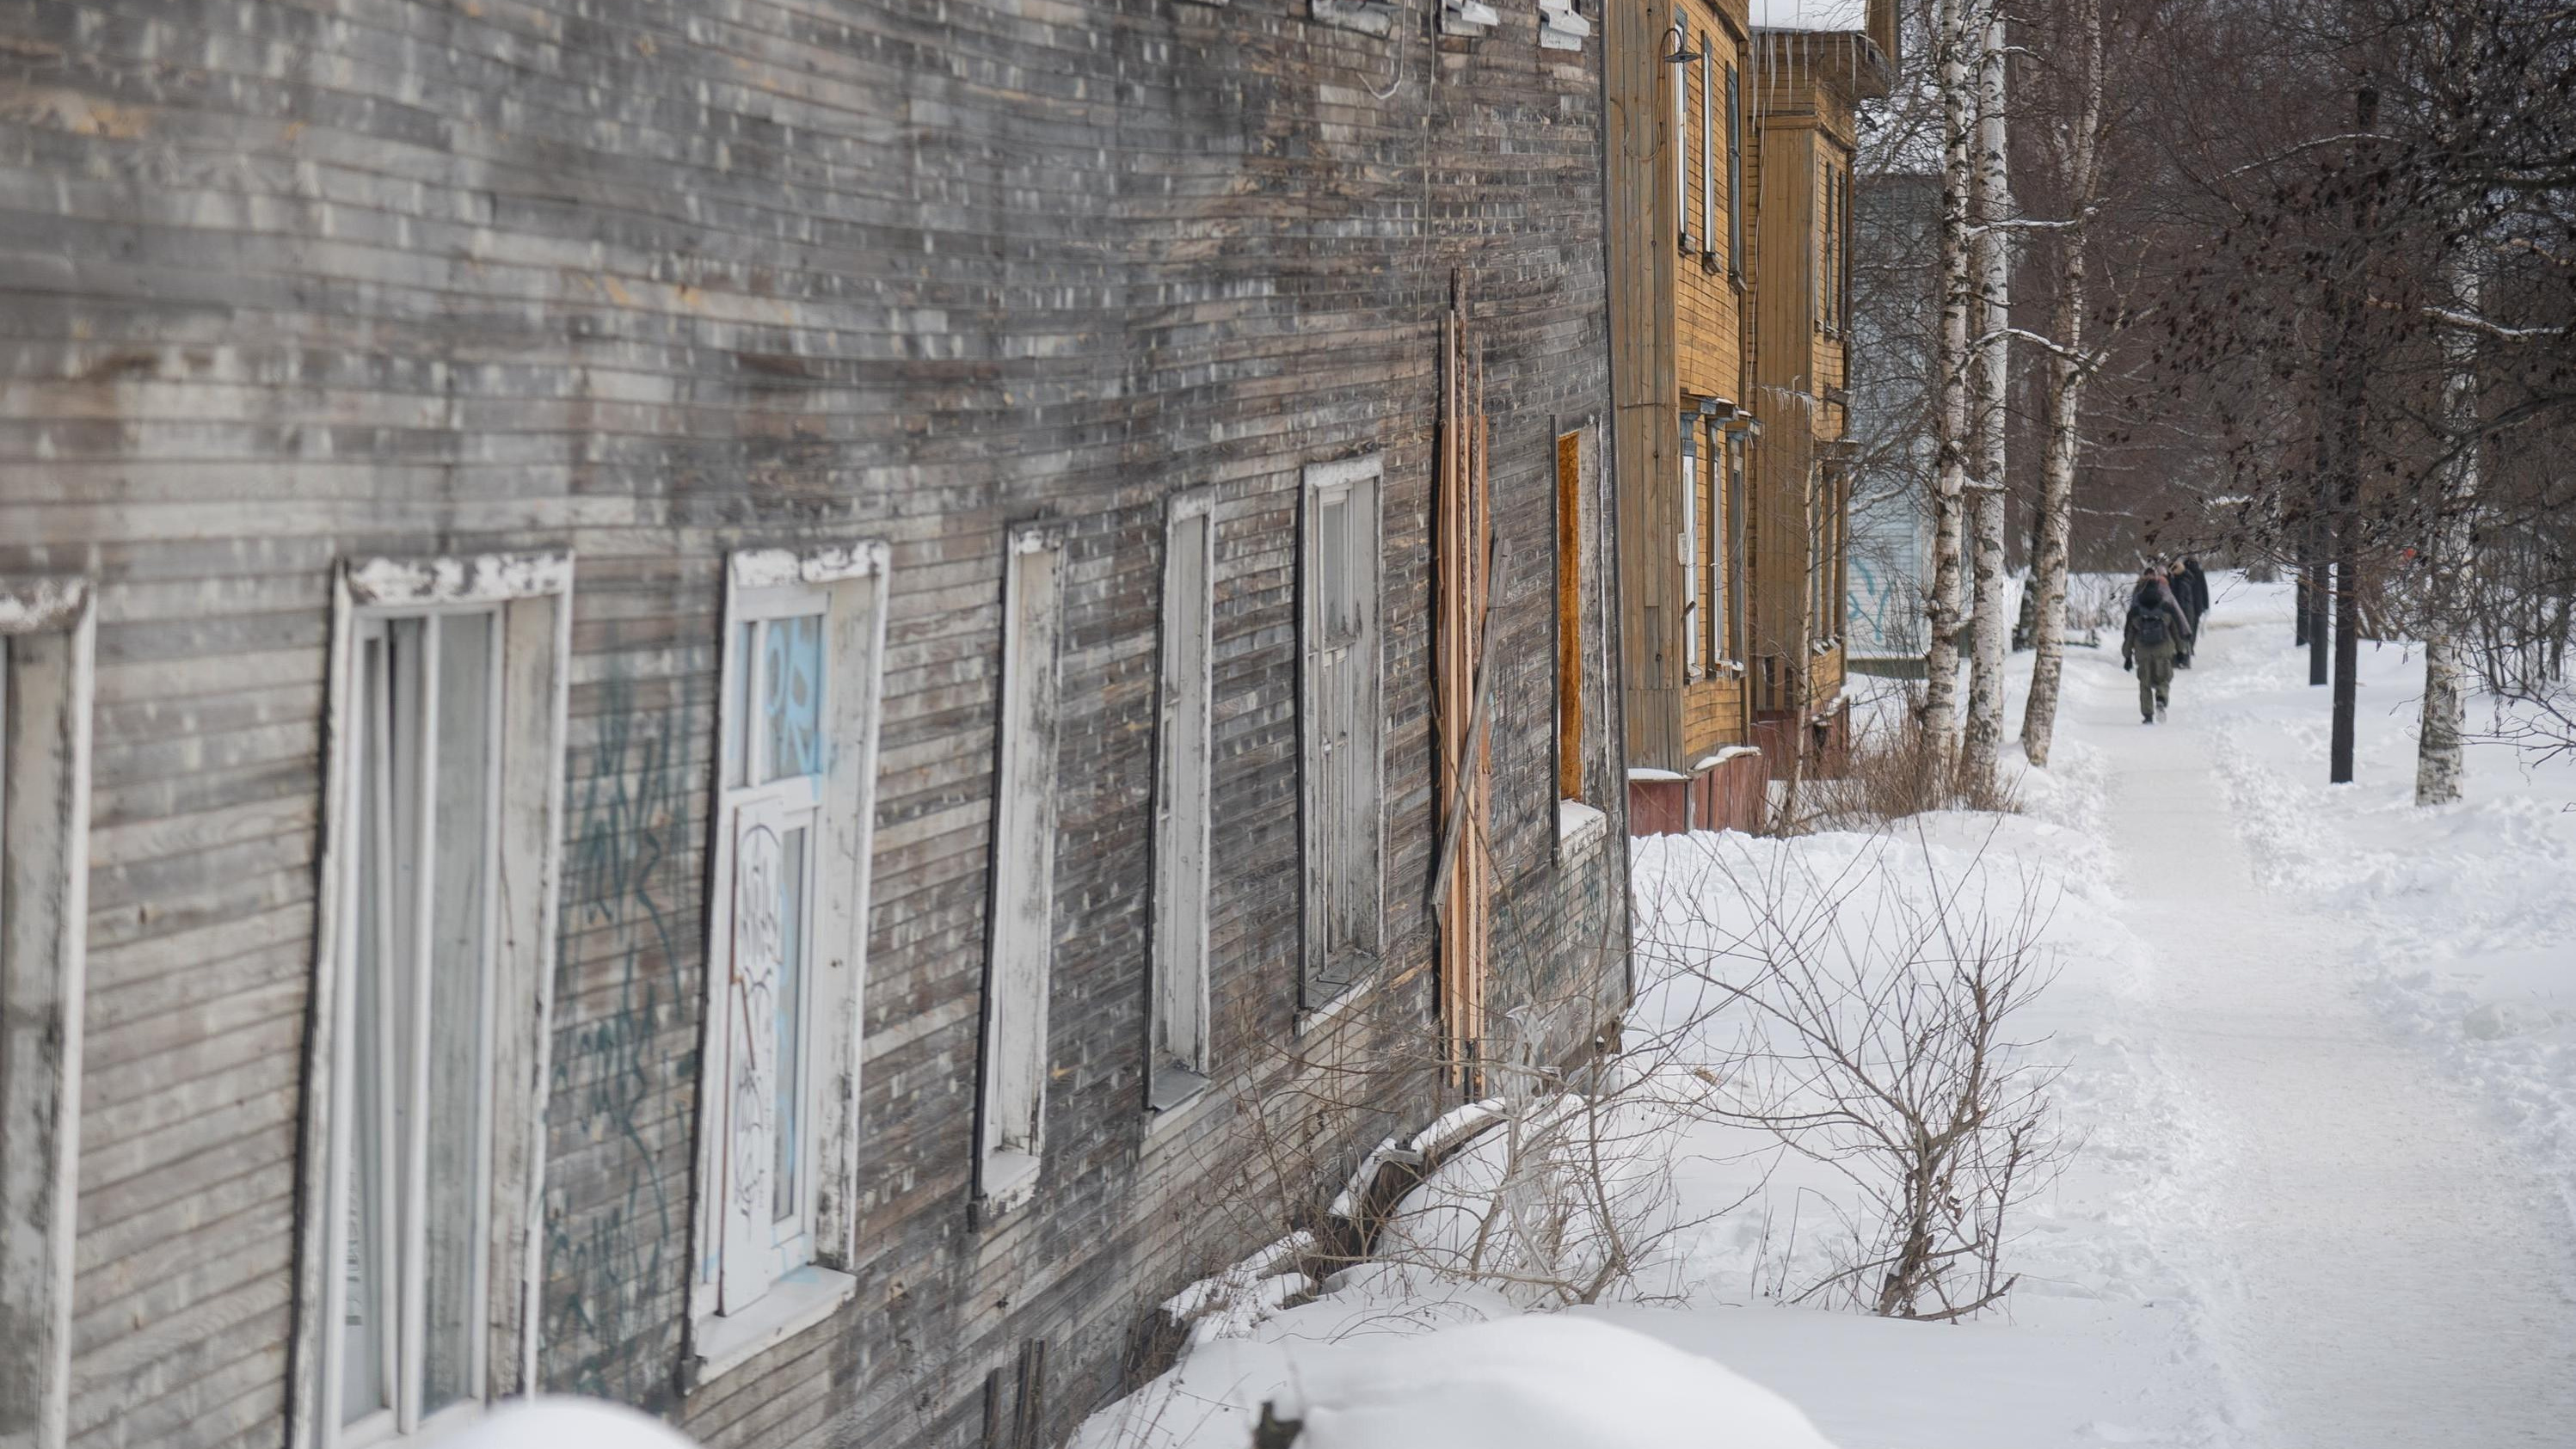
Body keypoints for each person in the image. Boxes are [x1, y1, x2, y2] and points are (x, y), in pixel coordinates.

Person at [2122, 568, 2191, 723]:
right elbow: (2175, 632)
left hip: (2143, 651)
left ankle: (2147, 715)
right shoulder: (2166, 607)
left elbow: (2130, 634)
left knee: (2145, 684)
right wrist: (2181, 651)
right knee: (2164, 679)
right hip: (2164, 650)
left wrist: (2127, 656)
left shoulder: (2136, 610)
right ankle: (2161, 698)